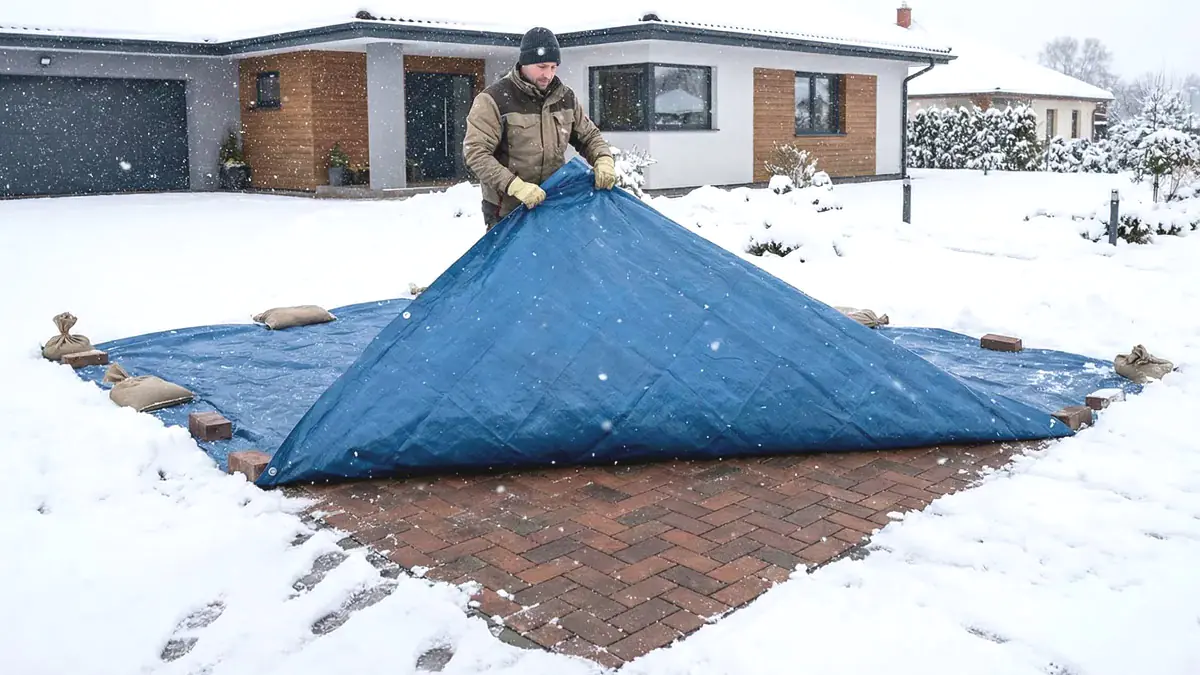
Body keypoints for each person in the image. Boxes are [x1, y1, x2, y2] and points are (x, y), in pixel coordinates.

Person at [463, 26, 617, 230]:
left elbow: (588, 136)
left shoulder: (565, 97)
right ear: (524, 63)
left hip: (551, 203)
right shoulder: (494, 100)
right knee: (516, 263)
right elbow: (475, 153)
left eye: (553, 67)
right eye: (542, 66)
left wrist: (603, 159)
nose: (548, 75)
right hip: (507, 211)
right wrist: (515, 186)